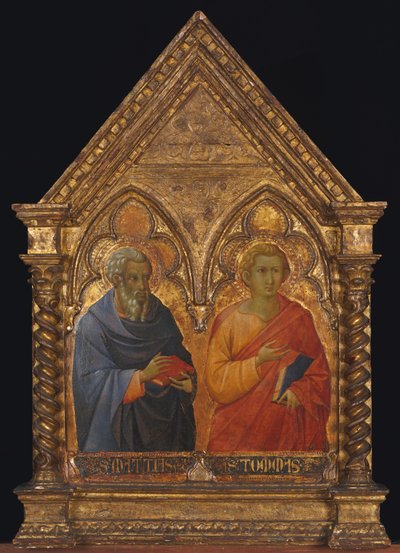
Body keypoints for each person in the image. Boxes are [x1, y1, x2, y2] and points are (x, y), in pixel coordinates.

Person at [205, 243, 330, 453]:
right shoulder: (228, 321)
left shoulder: (298, 318)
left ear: (285, 275)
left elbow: (319, 373)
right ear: (247, 277)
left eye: (275, 271)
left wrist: (298, 392)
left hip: (285, 430)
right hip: (236, 431)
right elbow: (216, 382)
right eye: (262, 271)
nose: (270, 279)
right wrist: (258, 361)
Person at [72, 247, 196, 452]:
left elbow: (181, 358)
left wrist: (189, 384)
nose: (143, 286)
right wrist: (141, 377)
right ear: (116, 280)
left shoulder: (161, 315)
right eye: (134, 278)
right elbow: (90, 385)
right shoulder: (94, 324)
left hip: (167, 431)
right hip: (122, 434)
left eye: (146, 278)